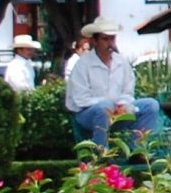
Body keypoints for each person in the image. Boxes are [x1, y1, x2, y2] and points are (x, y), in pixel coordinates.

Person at [63, 19, 165, 147]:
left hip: (118, 113)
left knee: (151, 105)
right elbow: (80, 99)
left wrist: (122, 104)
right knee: (103, 107)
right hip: (89, 115)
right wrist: (110, 104)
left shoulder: (121, 62)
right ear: (95, 41)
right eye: (105, 39)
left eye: (112, 39)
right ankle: (102, 154)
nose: (110, 43)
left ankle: (138, 151)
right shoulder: (83, 65)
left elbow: (128, 91)